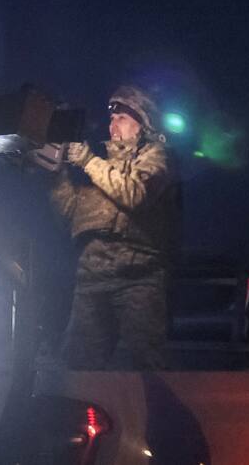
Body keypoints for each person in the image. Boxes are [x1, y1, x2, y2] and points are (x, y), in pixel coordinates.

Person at [50, 85, 182, 370]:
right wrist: (56, 173)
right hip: (92, 276)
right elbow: (70, 213)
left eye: (121, 117)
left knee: (142, 368)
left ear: (142, 122)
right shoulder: (101, 169)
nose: (113, 124)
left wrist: (87, 161)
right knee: (76, 368)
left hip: (139, 277)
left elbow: (133, 193)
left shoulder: (158, 157)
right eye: (111, 118)